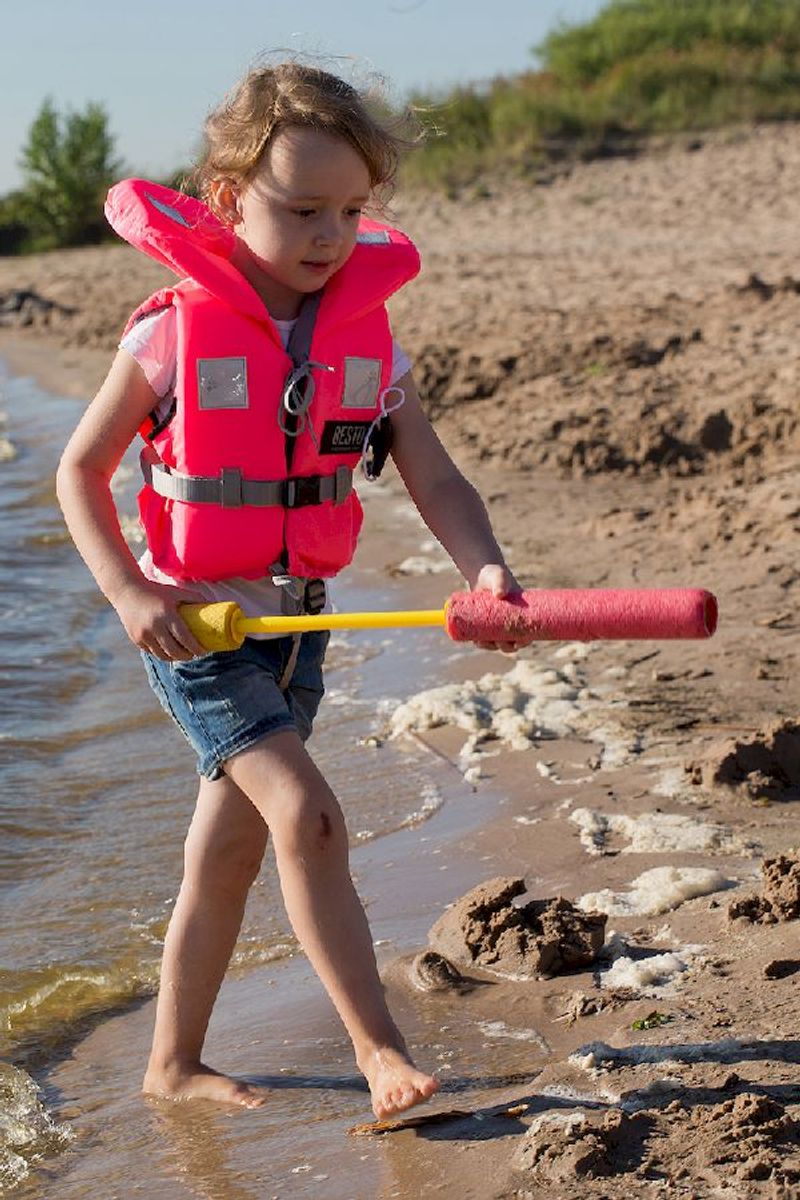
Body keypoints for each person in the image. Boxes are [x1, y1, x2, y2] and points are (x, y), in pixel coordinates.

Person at [56, 61, 522, 1119]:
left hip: (302, 632)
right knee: (306, 817)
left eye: (351, 212)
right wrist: (130, 593)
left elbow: (435, 475)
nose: (328, 235)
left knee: (223, 854)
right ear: (225, 200)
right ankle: (379, 1053)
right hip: (198, 632)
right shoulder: (171, 330)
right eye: (302, 208)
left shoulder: (366, 336)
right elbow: (77, 471)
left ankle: (170, 1064)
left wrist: (484, 571)